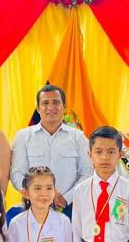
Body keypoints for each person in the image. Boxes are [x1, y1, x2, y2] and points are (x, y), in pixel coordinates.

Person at [11, 84, 92, 217]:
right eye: (45, 103)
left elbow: (87, 172)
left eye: (55, 102)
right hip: (32, 208)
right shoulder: (23, 137)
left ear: (64, 106)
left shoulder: (79, 137)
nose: (50, 107)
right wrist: (38, 195)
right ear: (38, 108)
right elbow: (17, 174)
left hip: (70, 208)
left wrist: (66, 198)